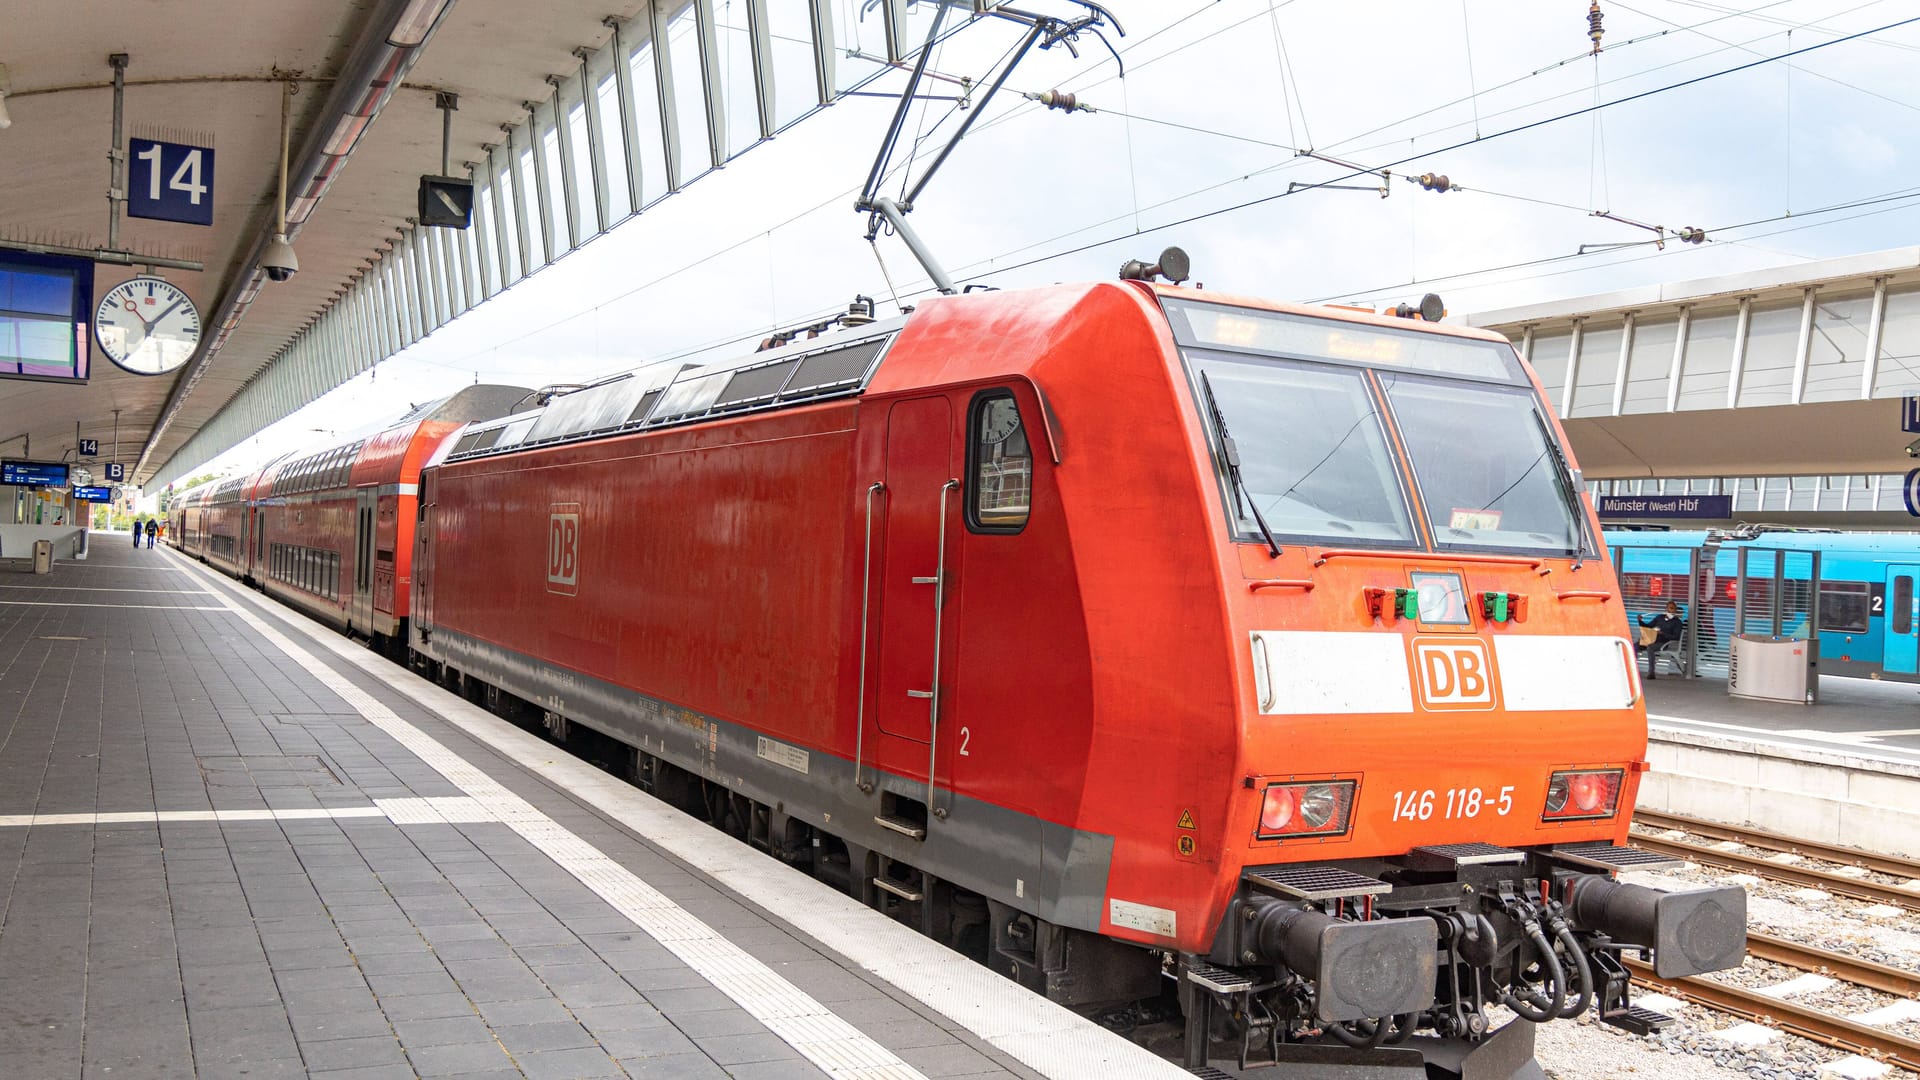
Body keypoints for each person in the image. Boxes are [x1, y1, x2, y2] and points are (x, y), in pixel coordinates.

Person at [1637, 601, 1685, 679]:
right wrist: (1640, 621)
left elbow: (1676, 637)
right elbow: (1649, 626)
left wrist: (1662, 633)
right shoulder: (1659, 618)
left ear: (1675, 610)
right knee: (1636, 645)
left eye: (1673, 608)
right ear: (1666, 608)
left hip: (1664, 643)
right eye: (1669, 608)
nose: (1671, 610)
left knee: (1650, 647)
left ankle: (1651, 672)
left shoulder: (1677, 622)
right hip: (1652, 639)